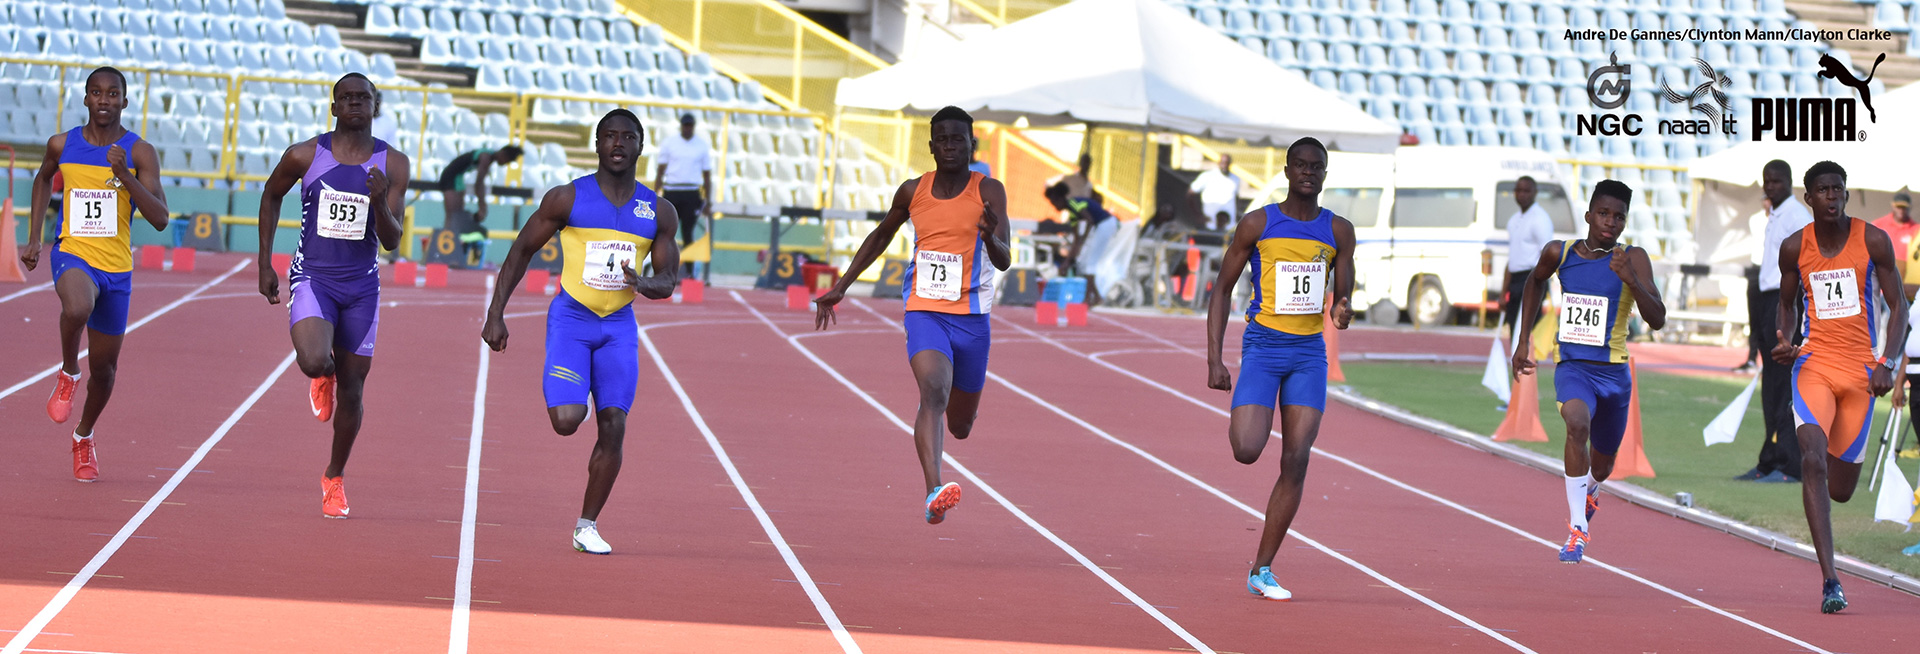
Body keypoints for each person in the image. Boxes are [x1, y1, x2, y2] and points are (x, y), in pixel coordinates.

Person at [483, 108, 679, 555]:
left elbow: (669, 280)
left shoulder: (658, 211)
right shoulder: (567, 199)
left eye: (627, 137)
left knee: (615, 426)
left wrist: (643, 283)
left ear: (640, 146)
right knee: (566, 422)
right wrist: (496, 313)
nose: (617, 143)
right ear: (597, 144)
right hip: (572, 319)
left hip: (619, 326)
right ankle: (577, 394)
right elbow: (522, 250)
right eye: (609, 136)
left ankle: (586, 526)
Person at [813, 106, 1011, 525]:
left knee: (961, 426)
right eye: (943, 139)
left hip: (973, 319)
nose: (950, 146)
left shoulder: (990, 191)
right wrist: (843, 285)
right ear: (932, 146)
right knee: (934, 392)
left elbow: (1005, 259)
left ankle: (949, 428)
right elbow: (882, 234)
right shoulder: (912, 191)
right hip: (925, 310)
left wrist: (991, 238)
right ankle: (934, 491)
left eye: (958, 139)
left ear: (972, 144)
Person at [1204, 137, 1355, 601]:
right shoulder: (1258, 224)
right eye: (1300, 165)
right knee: (1246, 449)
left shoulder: (1339, 230)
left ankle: (1262, 569)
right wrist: (1214, 357)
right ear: (1287, 171)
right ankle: (1261, 565)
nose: (1308, 172)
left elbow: (1344, 292)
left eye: (1316, 166)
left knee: (1297, 458)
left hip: (1308, 354)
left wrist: (1343, 308)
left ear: (1325, 174)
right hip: (1264, 349)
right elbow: (1221, 289)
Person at [255, 73, 410, 518]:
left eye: (364, 97)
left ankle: (334, 477)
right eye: (347, 97)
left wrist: (379, 201)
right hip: (314, 278)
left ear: (375, 106)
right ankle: (323, 374)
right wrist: (264, 263)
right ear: (335, 107)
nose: (355, 103)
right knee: (313, 360)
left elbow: (392, 241)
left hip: (361, 288)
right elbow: (270, 195)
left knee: (354, 392)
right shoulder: (306, 155)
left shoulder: (393, 164)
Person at [20, 67, 170, 482]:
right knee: (77, 306)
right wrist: (34, 238)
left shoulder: (140, 153)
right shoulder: (61, 144)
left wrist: (123, 176)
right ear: (86, 99)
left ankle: (83, 435)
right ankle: (69, 370)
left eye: (113, 93)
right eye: (96, 92)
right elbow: (43, 178)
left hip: (116, 268)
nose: (104, 100)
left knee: (104, 371)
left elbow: (160, 218)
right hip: (73, 252)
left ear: (125, 101)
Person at [1510, 180, 1666, 565]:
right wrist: (1524, 340)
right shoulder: (1560, 253)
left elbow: (1658, 318)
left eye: (1619, 217)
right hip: (1573, 367)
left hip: (1614, 377)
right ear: (1588, 216)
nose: (1610, 222)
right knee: (1576, 424)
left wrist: (1631, 279)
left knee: (1604, 465)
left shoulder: (1633, 258)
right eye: (1603, 214)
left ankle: (1592, 489)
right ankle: (1578, 526)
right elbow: (1534, 282)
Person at [1774, 161, 1905, 613]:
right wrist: (1784, 338)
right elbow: (1786, 304)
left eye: (1838, 189)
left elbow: (1899, 307)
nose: (1832, 196)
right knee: (1812, 460)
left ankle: (1830, 470)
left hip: (1861, 373)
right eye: (1823, 190)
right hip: (1813, 365)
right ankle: (1831, 580)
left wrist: (1888, 362)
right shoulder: (1795, 247)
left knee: (1841, 488)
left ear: (1846, 195)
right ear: (1809, 198)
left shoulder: (1873, 240)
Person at [1738, 160, 1814, 483]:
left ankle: (1789, 463)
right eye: (1767, 181)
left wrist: (1791, 307)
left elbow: (1805, 264)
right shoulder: (1776, 215)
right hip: (1768, 299)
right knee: (1771, 385)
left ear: (1790, 182)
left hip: (1786, 302)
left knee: (1784, 385)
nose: (1771, 187)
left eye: (1777, 181)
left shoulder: (1797, 216)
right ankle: (1769, 459)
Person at [440, 145, 525, 266]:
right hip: (450, 178)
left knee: (456, 217)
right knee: (453, 216)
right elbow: (479, 184)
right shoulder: (486, 157)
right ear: (503, 155)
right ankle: (446, 253)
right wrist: (482, 207)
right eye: (507, 161)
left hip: (456, 178)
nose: (505, 164)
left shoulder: (487, 155)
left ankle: (451, 253)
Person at [652, 113, 712, 274]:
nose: (687, 128)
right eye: (685, 125)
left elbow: (707, 175)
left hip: (691, 192)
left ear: (693, 127)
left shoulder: (701, 145)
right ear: (681, 126)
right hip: (672, 190)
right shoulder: (670, 143)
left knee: (687, 233)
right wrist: (655, 195)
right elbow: (660, 171)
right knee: (665, 232)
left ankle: (689, 273)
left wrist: (708, 200)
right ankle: (660, 269)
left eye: (690, 125)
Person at [1501, 176, 1553, 341]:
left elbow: (1547, 256)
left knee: (1528, 333)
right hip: (1515, 280)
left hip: (1532, 278)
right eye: (1519, 190)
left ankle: (1529, 359)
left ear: (1535, 193)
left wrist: (1539, 285)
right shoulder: (1513, 220)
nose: (1522, 194)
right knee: (1513, 330)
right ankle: (1515, 359)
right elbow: (1512, 259)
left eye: (1526, 191)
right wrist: (1503, 292)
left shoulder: (1540, 219)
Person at [1188, 155, 1242, 231]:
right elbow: (1190, 193)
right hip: (1210, 225)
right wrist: (1197, 214)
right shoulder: (1207, 176)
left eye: (1227, 163)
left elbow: (1236, 197)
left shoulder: (1236, 179)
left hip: (1229, 227)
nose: (1225, 165)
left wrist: (1237, 215)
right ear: (1218, 163)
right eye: (1223, 163)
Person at [1873, 192, 1915, 288]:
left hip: (1905, 286)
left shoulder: (1916, 229)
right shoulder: (1879, 225)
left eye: (1904, 207)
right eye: (1898, 207)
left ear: (1910, 208)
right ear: (1893, 206)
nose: (1901, 210)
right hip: (1880, 283)